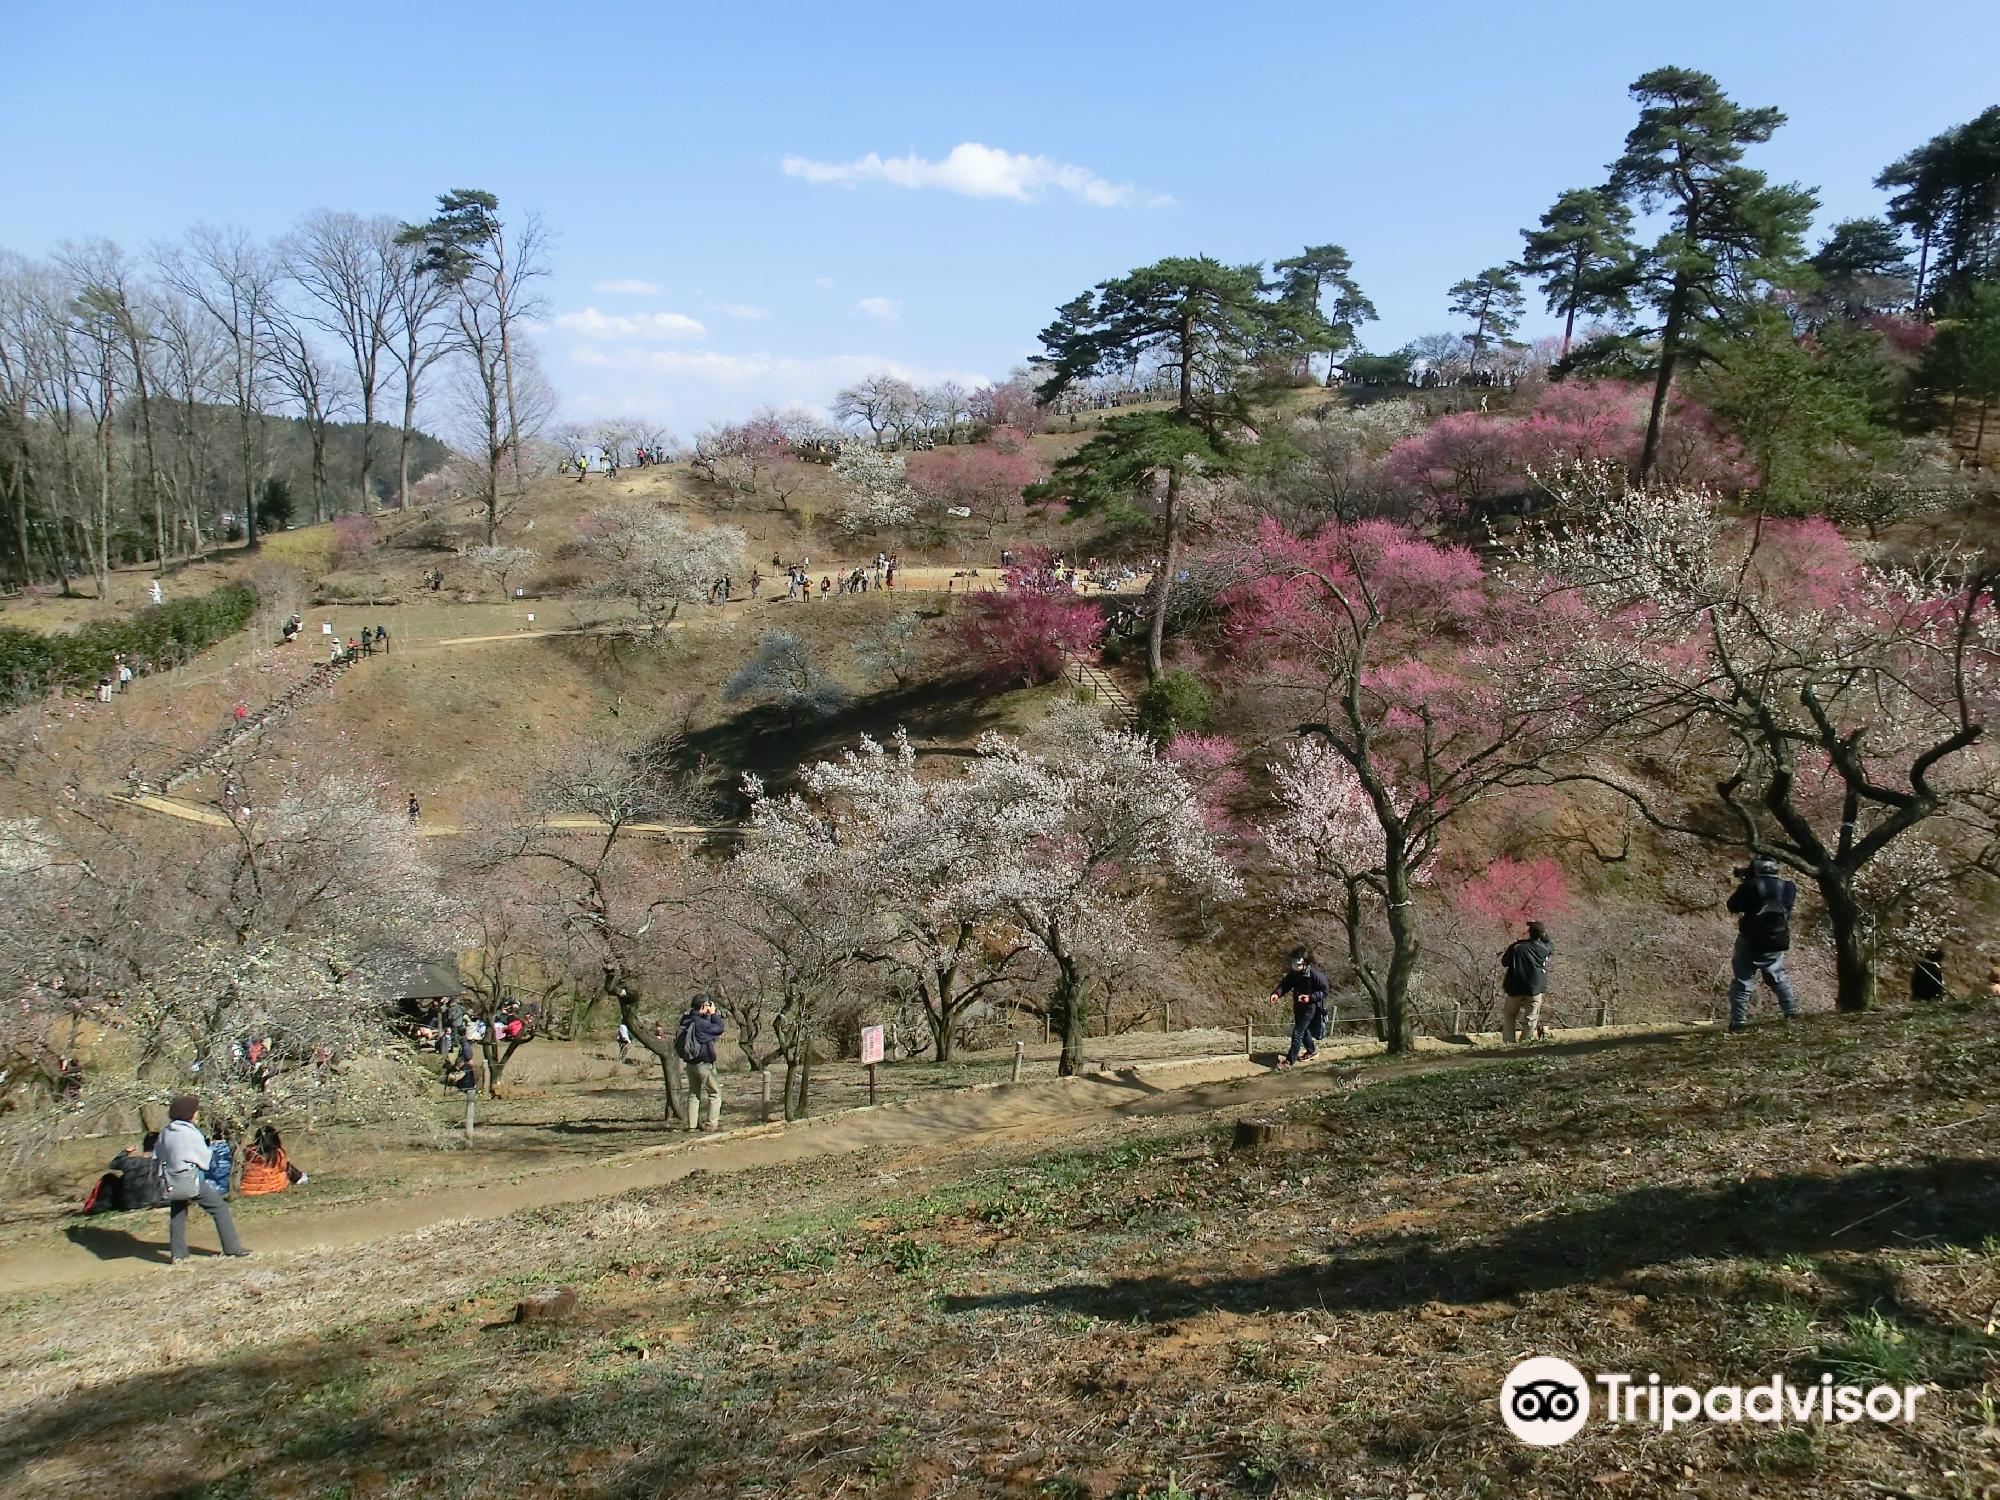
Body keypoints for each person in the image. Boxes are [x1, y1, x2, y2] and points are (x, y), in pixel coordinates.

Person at [155, 1094, 249, 1263]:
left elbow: (158, 1155)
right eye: (195, 1111)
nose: (197, 1114)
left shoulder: (166, 1132)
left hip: (171, 1182)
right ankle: (232, 1248)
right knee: (219, 1208)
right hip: (191, 1179)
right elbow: (204, 1159)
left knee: (178, 1213)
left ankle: (178, 1255)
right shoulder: (190, 1133)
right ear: (188, 1114)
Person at [1724, 855, 1800, 1032]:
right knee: (1779, 977)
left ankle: (1738, 1022)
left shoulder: (1749, 886)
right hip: (1778, 939)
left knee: (1743, 980)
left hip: (1749, 940)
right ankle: (1791, 1013)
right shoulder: (1788, 887)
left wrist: (1745, 884)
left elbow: (1732, 906)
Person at [1270, 946, 1329, 1067]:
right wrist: (1277, 993)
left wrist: (1310, 998)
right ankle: (1312, 1051)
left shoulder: (1315, 976)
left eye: (1297, 964)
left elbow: (1324, 992)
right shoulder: (1294, 974)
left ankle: (1289, 1061)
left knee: (1297, 1033)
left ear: (1305, 963)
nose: (1294, 966)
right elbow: (1285, 984)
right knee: (1304, 1030)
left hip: (1310, 1008)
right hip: (1298, 1006)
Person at [675, 995, 726, 1132]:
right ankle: (711, 1125)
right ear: (703, 1006)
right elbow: (719, 1029)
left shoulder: (686, 1019)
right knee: (715, 1093)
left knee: (693, 1094)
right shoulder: (701, 1024)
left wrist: (708, 1015)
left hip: (690, 1063)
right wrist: (714, 1014)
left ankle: (691, 1126)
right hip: (704, 1065)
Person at [86, 1132, 167, 1214]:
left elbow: (114, 1164)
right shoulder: (163, 1163)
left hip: (128, 1204)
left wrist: (126, 1151)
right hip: (155, 1201)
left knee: (109, 1178)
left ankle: (102, 1205)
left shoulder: (130, 1162)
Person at [1500, 922, 1554, 1044]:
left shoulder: (1517, 947)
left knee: (1510, 1014)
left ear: (1529, 933)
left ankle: (1508, 1041)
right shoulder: (1544, 949)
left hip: (1515, 986)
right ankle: (1525, 1040)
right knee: (1531, 1016)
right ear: (1542, 934)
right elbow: (1550, 944)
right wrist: (1544, 934)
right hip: (1535, 987)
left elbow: (1504, 962)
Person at [238, 1124, 308, 1195]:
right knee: (286, 1166)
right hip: (271, 1187)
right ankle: (299, 1178)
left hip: (247, 1189)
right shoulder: (277, 1153)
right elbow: (283, 1167)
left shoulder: (247, 1151)